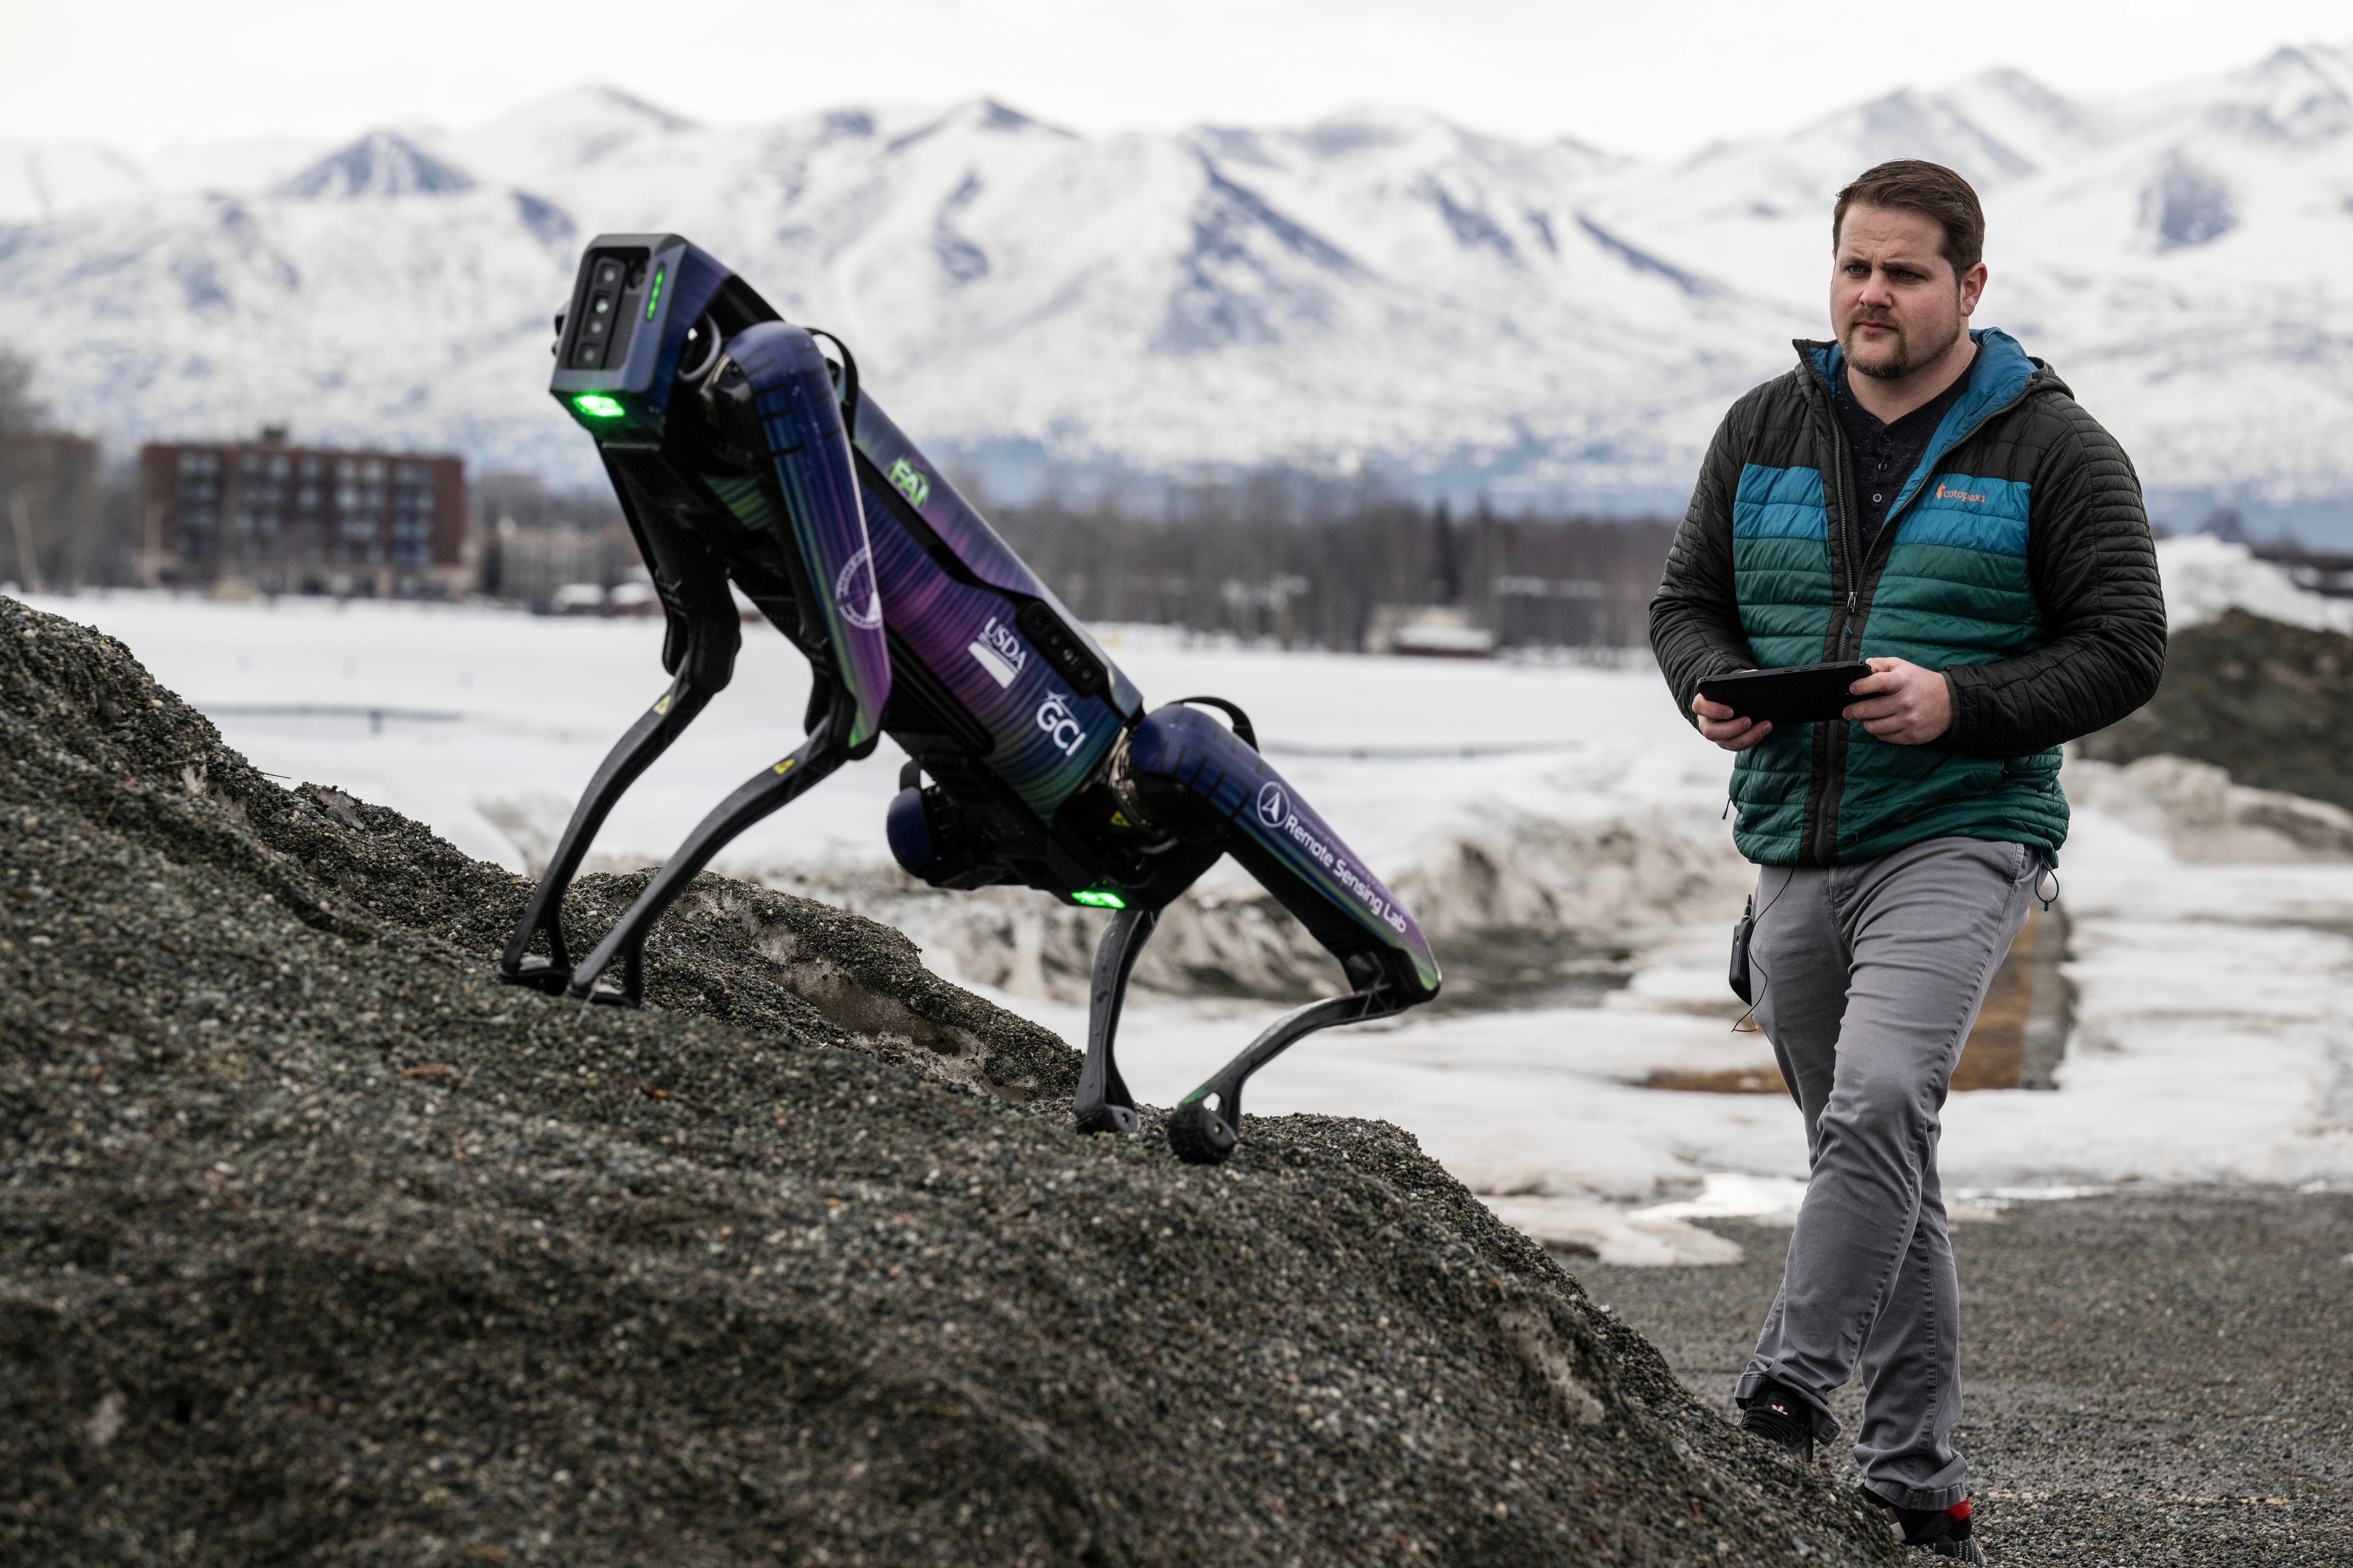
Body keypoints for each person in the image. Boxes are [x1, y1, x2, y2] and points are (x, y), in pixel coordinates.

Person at [1648, 159, 2167, 1562]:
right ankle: (1914, 1482)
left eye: (1904, 272)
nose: (1870, 294)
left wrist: (1962, 705)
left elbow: (2125, 646)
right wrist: (1708, 683)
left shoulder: (2053, 450)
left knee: (1877, 1103)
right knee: (1878, 1162)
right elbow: (1685, 599)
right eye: (1852, 267)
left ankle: (1782, 1394)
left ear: (1968, 288)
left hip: (1960, 829)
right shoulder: (1764, 424)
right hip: (1792, 839)